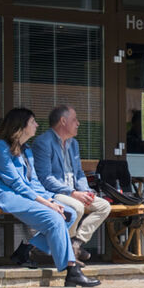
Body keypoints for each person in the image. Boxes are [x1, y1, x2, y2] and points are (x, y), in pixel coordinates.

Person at [0, 108, 97, 287]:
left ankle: (25, 250)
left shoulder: (27, 150)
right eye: (33, 122)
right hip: (6, 195)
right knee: (55, 218)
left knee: (69, 213)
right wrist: (47, 204)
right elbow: (16, 184)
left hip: (26, 195)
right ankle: (71, 270)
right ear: (21, 126)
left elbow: (35, 183)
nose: (37, 125)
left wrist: (51, 201)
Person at [30, 104, 111, 264]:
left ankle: (76, 243)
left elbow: (79, 173)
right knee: (77, 207)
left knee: (104, 206)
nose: (78, 123)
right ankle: (67, 250)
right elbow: (45, 178)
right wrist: (73, 193)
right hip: (53, 193)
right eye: (75, 119)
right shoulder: (43, 142)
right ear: (63, 121)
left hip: (74, 193)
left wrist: (86, 191)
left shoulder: (73, 144)